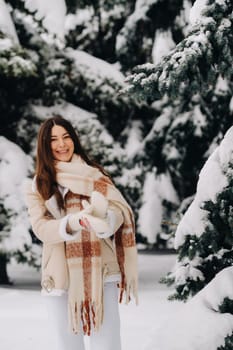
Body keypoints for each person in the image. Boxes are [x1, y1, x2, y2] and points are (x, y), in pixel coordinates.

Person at [25, 115, 138, 350]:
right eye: (54, 140)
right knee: (68, 346)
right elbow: (41, 228)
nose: (62, 144)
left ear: (74, 139)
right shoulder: (39, 184)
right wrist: (73, 222)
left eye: (66, 137)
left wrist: (106, 220)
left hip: (102, 272)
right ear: (45, 145)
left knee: (107, 344)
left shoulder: (95, 175)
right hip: (60, 277)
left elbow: (119, 209)